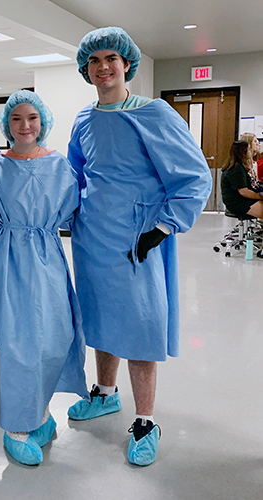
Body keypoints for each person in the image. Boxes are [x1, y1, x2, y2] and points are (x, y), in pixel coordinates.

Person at [66, 27, 212, 466]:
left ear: (127, 63)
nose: (103, 67)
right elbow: (76, 176)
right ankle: (105, 393)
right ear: (86, 70)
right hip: (92, 239)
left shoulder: (154, 113)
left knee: (140, 327)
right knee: (101, 318)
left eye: (111, 58)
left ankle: (146, 420)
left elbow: (194, 177)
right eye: (94, 61)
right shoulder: (83, 120)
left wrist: (162, 229)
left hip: (138, 241)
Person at [0, 90, 88, 466]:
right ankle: (15, 427)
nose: (25, 126)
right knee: (19, 343)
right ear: (6, 124)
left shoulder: (59, 165)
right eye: (16, 119)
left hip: (47, 256)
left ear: (43, 122)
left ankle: (38, 411)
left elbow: (76, 213)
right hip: (8, 257)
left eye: (32, 118)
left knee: (54, 336)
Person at [221, 140, 263, 218]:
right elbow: (244, 192)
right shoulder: (236, 169)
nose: (251, 152)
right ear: (243, 152)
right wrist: (260, 197)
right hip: (238, 202)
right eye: (249, 150)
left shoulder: (239, 166)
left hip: (241, 199)